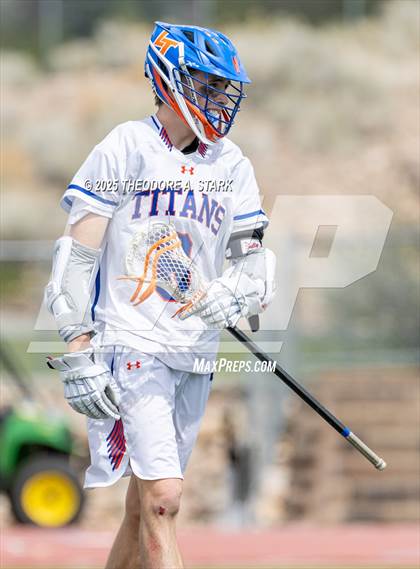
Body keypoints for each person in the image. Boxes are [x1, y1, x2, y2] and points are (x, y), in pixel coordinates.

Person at [45, 21, 276, 569]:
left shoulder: (232, 164)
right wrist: (78, 347)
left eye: (223, 87)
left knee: (143, 506)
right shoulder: (126, 146)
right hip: (132, 340)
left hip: (193, 348)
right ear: (170, 80)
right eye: (207, 84)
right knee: (164, 499)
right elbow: (77, 255)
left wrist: (237, 291)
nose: (219, 98)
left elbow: (251, 259)